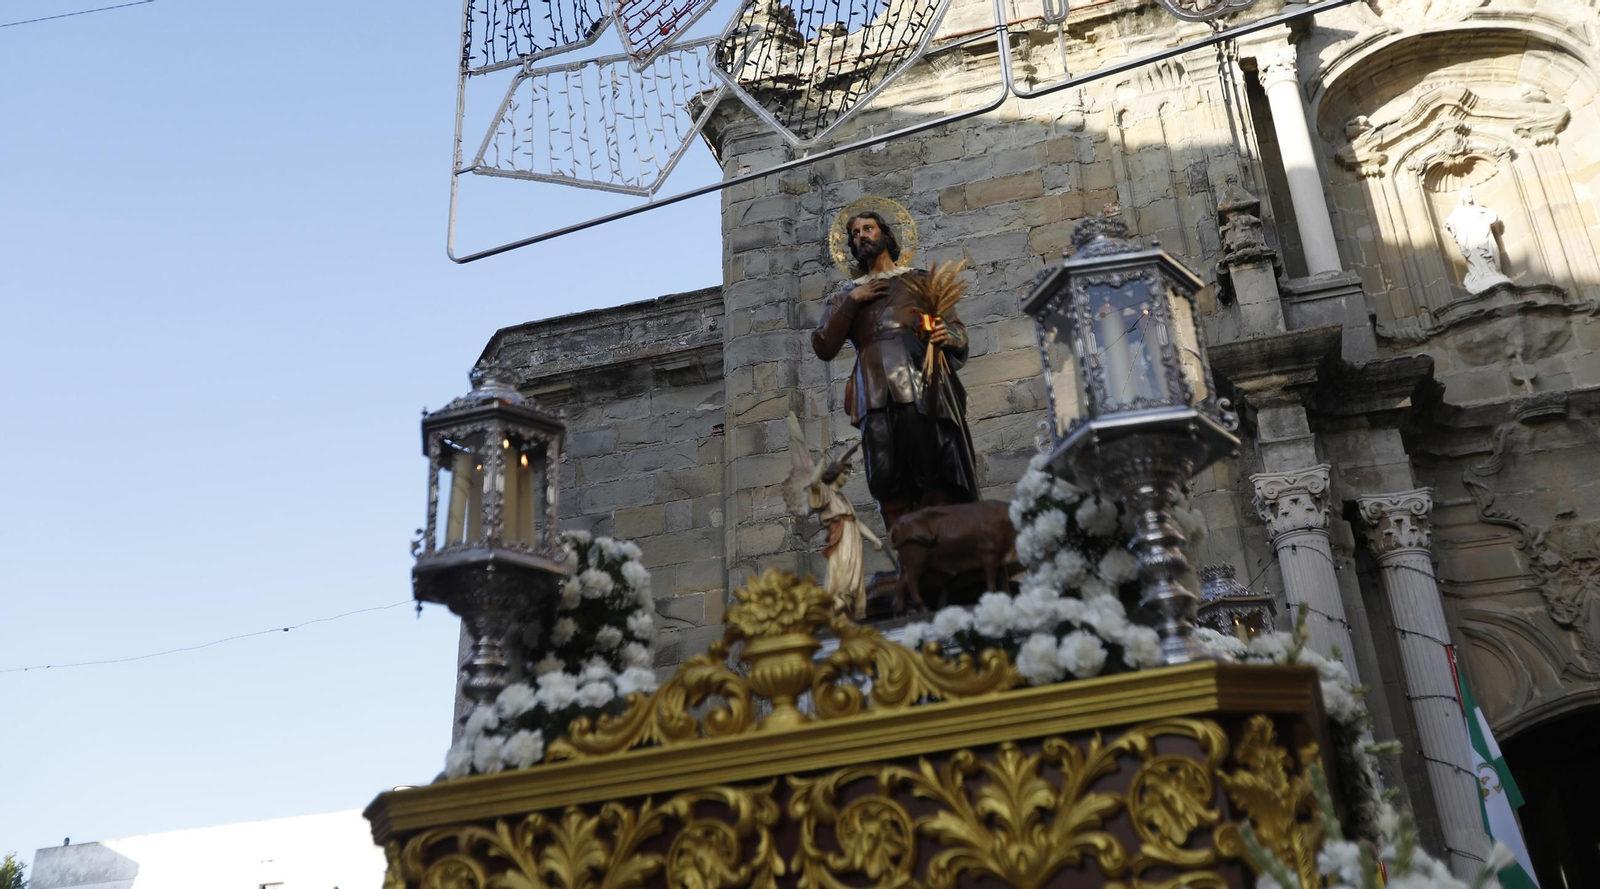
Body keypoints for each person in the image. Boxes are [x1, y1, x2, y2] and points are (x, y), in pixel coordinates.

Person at [811, 209, 978, 534]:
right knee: (883, 471)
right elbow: (823, 344)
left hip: (920, 381)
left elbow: (956, 331)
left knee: (931, 461)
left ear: (886, 235)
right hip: (873, 389)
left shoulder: (920, 282)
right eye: (855, 233)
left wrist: (948, 335)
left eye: (868, 228)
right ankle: (909, 551)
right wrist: (852, 302)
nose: (861, 236)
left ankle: (945, 541)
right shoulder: (846, 295)